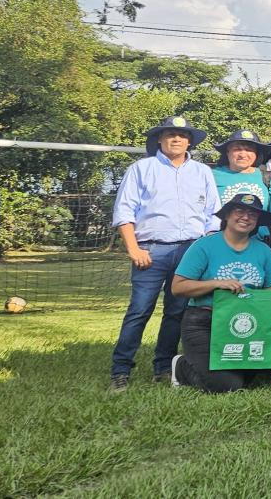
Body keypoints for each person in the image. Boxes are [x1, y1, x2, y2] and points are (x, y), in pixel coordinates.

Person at [109, 115, 220, 392]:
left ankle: (163, 367)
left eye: (182, 135)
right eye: (170, 134)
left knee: (177, 312)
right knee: (139, 311)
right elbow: (124, 210)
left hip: (190, 251)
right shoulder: (141, 168)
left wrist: (204, 248)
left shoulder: (202, 172)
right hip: (151, 250)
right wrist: (133, 248)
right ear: (159, 139)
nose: (176, 139)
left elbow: (213, 215)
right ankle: (120, 370)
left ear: (190, 141)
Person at [168, 194, 271, 393]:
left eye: (252, 214)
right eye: (239, 211)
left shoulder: (263, 250)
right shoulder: (204, 246)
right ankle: (181, 366)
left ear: (257, 221)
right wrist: (216, 283)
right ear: (227, 216)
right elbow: (177, 287)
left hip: (250, 318)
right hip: (205, 320)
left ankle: (235, 369)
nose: (246, 217)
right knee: (225, 385)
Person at [211, 129, 271, 242]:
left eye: (249, 150)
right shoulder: (212, 176)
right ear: (227, 152)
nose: (243, 154)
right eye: (237, 149)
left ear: (256, 154)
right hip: (222, 243)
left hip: (259, 244)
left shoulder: (265, 176)